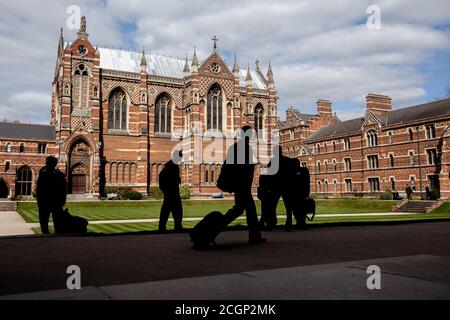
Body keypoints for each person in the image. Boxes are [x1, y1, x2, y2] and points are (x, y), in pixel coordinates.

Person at [223, 126, 266, 243]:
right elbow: (245, 170)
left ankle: (254, 235)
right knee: (246, 210)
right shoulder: (245, 148)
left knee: (240, 209)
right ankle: (254, 236)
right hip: (242, 186)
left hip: (239, 185)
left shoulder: (235, 147)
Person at [36, 156, 67, 234]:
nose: (47, 164)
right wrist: (39, 201)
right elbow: (39, 189)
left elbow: (63, 190)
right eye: (47, 163)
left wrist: (63, 200)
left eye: (49, 163)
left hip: (56, 202)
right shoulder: (43, 174)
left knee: (58, 224)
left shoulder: (60, 175)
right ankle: (46, 237)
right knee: (44, 223)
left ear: (54, 164)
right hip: (45, 202)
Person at [158, 149, 183, 232]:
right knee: (172, 210)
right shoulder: (171, 165)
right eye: (180, 156)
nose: (181, 158)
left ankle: (174, 227)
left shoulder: (173, 165)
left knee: (171, 210)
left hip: (172, 191)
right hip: (171, 192)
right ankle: (173, 227)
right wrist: (166, 189)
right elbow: (162, 176)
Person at [258, 147, 282, 230]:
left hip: (271, 188)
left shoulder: (273, 162)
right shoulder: (281, 161)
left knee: (268, 207)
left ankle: (266, 223)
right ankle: (270, 223)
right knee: (271, 206)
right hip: (276, 188)